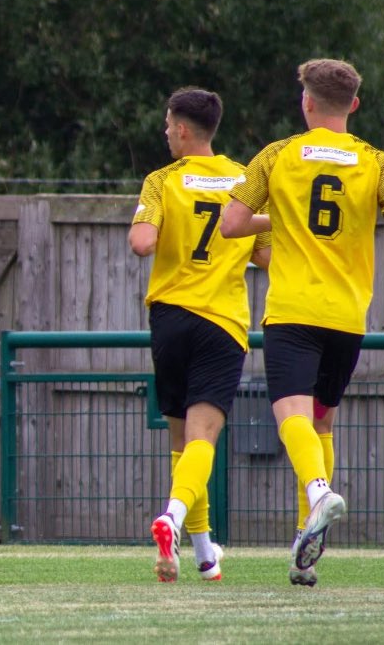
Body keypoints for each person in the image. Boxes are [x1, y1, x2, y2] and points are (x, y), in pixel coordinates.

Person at [221, 58, 384, 586]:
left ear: (306, 102)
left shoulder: (277, 155)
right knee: (322, 420)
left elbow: (232, 224)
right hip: (348, 316)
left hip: (294, 309)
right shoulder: (376, 161)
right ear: (355, 105)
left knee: (290, 414)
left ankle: (318, 493)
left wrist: (281, 212)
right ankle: (308, 551)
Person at [129, 87, 270, 583]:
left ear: (184, 129)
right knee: (203, 438)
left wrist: (173, 226)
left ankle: (206, 555)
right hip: (223, 321)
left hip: (170, 318)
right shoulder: (245, 181)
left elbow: (141, 242)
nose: (165, 132)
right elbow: (266, 256)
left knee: (180, 439)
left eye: (168, 124)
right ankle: (171, 516)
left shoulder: (162, 181)